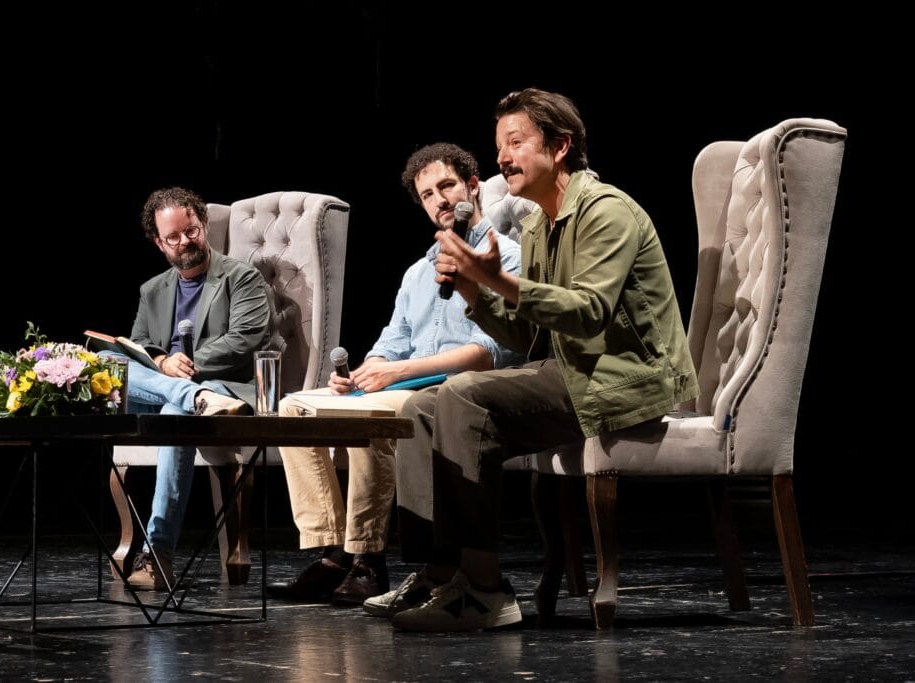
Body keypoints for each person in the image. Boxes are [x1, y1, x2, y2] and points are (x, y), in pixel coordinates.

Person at [368, 88, 700, 631]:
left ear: (561, 146)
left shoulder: (605, 211)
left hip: (623, 379)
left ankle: (485, 591)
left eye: (516, 142)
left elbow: (591, 312)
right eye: (499, 145)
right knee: (419, 407)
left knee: (461, 394)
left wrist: (497, 278)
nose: (502, 157)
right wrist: (477, 292)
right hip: (572, 370)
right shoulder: (539, 224)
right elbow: (527, 333)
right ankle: (441, 573)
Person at [273, 143, 524, 606]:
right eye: (428, 194)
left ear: (472, 186)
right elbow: (391, 342)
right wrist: (364, 370)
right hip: (402, 381)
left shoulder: (504, 255)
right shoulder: (416, 273)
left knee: (368, 415)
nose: (440, 200)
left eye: (447, 186)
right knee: (293, 408)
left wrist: (402, 371)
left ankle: (369, 559)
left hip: (453, 393)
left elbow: (494, 351)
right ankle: (334, 553)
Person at [118, 186, 272, 590]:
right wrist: (163, 364)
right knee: (109, 363)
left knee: (175, 415)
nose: (185, 242)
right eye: (173, 237)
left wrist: (189, 365)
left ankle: (158, 553)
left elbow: (246, 337)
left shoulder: (241, 278)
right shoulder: (152, 290)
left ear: (202, 225)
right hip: (175, 391)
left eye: (191, 231)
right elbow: (140, 348)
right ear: (158, 242)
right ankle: (188, 396)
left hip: (223, 389)